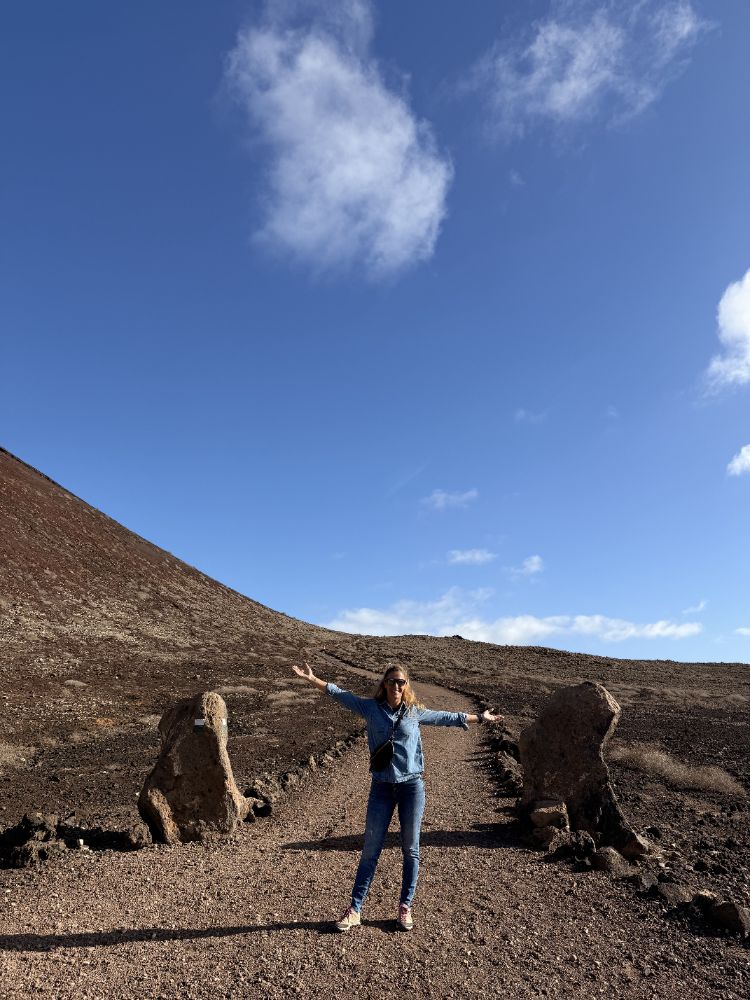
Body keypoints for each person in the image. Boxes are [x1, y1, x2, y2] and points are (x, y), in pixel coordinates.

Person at [291, 660, 502, 932]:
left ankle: (405, 906)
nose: (397, 686)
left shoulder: (414, 712)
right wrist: (313, 679)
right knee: (370, 850)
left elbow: (446, 717)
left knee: (411, 849)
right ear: (384, 684)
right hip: (381, 787)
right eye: (392, 681)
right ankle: (355, 909)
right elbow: (341, 695)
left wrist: (480, 718)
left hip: (411, 787)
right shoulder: (370, 708)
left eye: (402, 682)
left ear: (407, 686)